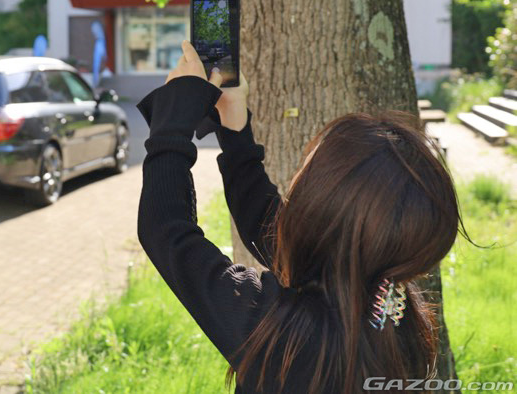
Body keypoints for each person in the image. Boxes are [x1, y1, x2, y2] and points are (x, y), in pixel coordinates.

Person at [135, 41, 467, 394]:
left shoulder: (281, 330)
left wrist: (173, 119)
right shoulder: (396, 313)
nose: (300, 174)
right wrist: (234, 129)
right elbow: (274, 230)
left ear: (323, 209)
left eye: (310, 166)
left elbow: (166, 230)